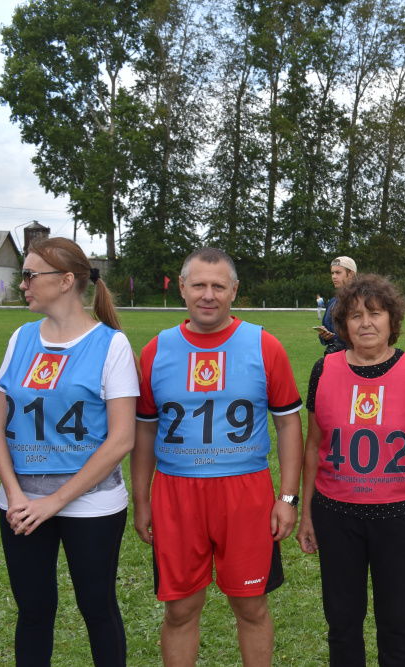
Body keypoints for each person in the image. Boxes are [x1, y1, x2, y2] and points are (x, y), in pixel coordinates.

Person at [131, 247, 304, 667]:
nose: (208, 295)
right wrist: (141, 499)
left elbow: (288, 424)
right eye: (199, 285)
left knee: (251, 606)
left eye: (218, 286)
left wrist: (287, 498)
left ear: (234, 291)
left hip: (245, 493)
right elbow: (145, 430)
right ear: (182, 288)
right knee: (179, 609)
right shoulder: (155, 350)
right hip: (176, 493)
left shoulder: (264, 345)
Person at [0, 237, 139, 665]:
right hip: (21, 505)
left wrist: (53, 502)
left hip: (92, 504)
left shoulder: (111, 345)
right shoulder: (20, 338)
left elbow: (121, 439)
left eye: (30, 275)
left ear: (66, 280)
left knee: (97, 608)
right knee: (34, 612)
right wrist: (16, 495)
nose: (23, 285)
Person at [297, 274, 405, 666]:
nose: (365, 322)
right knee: (342, 622)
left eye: (375, 313)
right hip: (336, 515)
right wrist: (306, 513)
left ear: (392, 320)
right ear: (342, 324)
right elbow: (313, 447)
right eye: (355, 315)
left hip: (400, 517)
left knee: (396, 622)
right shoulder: (323, 370)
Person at [322, 256, 358, 353]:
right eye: (332, 273)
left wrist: (338, 340)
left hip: (355, 357)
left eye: (338, 273)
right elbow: (325, 327)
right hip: (333, 355)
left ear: (351, 274)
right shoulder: (332, 302)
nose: (334, 276)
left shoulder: (360, 301)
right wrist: (324, 336)